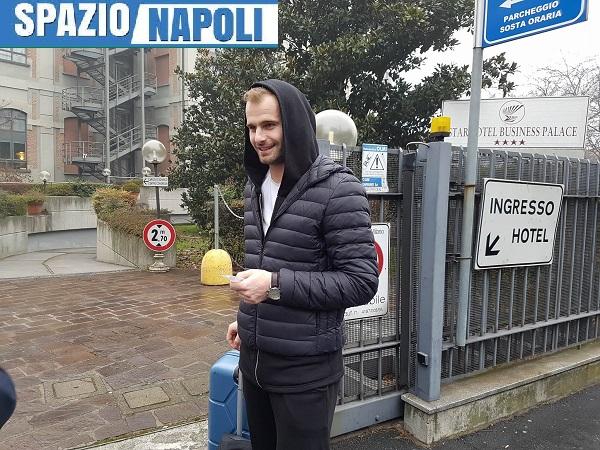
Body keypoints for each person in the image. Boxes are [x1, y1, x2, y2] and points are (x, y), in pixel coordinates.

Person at [226, 79, 379, 450]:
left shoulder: (339, 189)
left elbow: (360, 281)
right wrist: (249, 322)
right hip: (256, 365)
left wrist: (273, 285)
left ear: (294, 124)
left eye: (269, 125)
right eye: (252, 127)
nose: (258, 137)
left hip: (305, 376)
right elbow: (269, 262)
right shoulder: (255, 186)